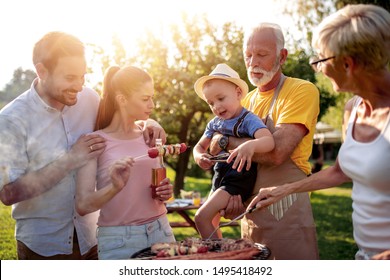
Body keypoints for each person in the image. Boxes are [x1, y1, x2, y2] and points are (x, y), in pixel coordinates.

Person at [0, 32, 164, 260]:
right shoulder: (11, 120)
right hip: (43, 248)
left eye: (82, 76)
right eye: (70, 78)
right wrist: (70, 160)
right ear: (42, 71)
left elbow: (119, 123)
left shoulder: (89, 99)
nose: (78, 86)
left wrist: (149, 122)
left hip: (92, 239)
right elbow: (8, 193)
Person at [247, 4, 390, 260]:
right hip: (365, 255)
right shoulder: (353, 109)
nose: (317, 67)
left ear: (348, 64)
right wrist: (285, 190)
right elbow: (340, 171)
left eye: (320, 59)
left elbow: (278, 152)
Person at [210, 23, 320, 259]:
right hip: (250, 215)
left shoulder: (302, 90)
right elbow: (212, 149)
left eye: (261, 55)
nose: (253, 63)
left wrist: (224, 142)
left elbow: (277, 152)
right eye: (248, 56)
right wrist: (232, 195)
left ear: (282, 57)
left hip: (286, 214)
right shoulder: (243, 101)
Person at [75, 65, 175, 260]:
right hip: (119, 241)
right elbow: (83, 204)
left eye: (152, 97)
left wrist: (166, 192)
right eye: (145, 99)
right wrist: (114, 187)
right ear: (122, 99)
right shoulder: (95, 141)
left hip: (161, 230)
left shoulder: (151, 135)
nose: (152, 105)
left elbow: (157, 187)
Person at [192, 63, 275, 239]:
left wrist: (249, 145)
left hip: (237, 178)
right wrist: (200, 157)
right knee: (211, 221)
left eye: (221, 98)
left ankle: (217, 256)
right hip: (219, 176)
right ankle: (221, 251)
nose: (216, 106)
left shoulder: (248, 119)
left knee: (201, 218)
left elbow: (269, 141)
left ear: (238, 93)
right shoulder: (214, 123)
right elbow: (199, 147)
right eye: (211, 103)